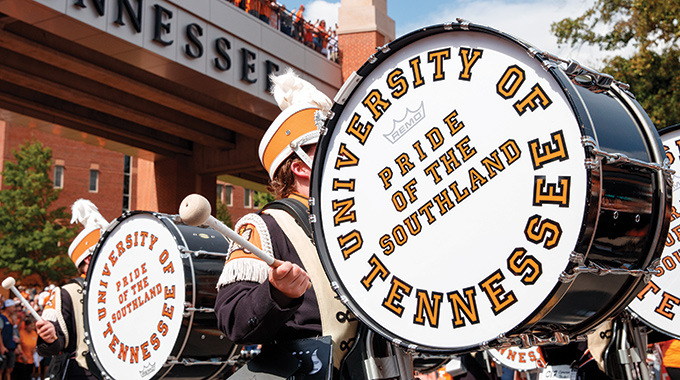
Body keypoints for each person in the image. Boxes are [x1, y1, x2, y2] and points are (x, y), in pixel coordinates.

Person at [215, 69, 358, 378]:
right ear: (299, 167)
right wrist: (277, 293)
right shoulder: (263, 227)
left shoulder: (357, 218)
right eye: (331, 149)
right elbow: (234, 319)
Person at [35, 199, 108, 380]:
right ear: (89, 260)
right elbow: (54, 344)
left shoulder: (119, 289)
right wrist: (50, 336)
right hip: (82, 373)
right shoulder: (65, 293)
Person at [14, 315, 37, 380]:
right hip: (22, 360)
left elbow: (36, 344)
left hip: (31, 360)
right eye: (31, 325)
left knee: (29, 376)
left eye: (33, 325)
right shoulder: (21, 333)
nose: (33, 327)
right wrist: (22, 356)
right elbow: (18, 345)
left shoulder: (34, 333)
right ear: (26, 326)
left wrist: (35, 349)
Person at [0, 299, 18, 380]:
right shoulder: (2, 317)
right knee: (1, 369)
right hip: (4, 347)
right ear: (8, 307)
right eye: (13, 307)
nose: (15, 309)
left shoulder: (11, 318)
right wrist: (2, 346)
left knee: (9, 369)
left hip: (10, 347)